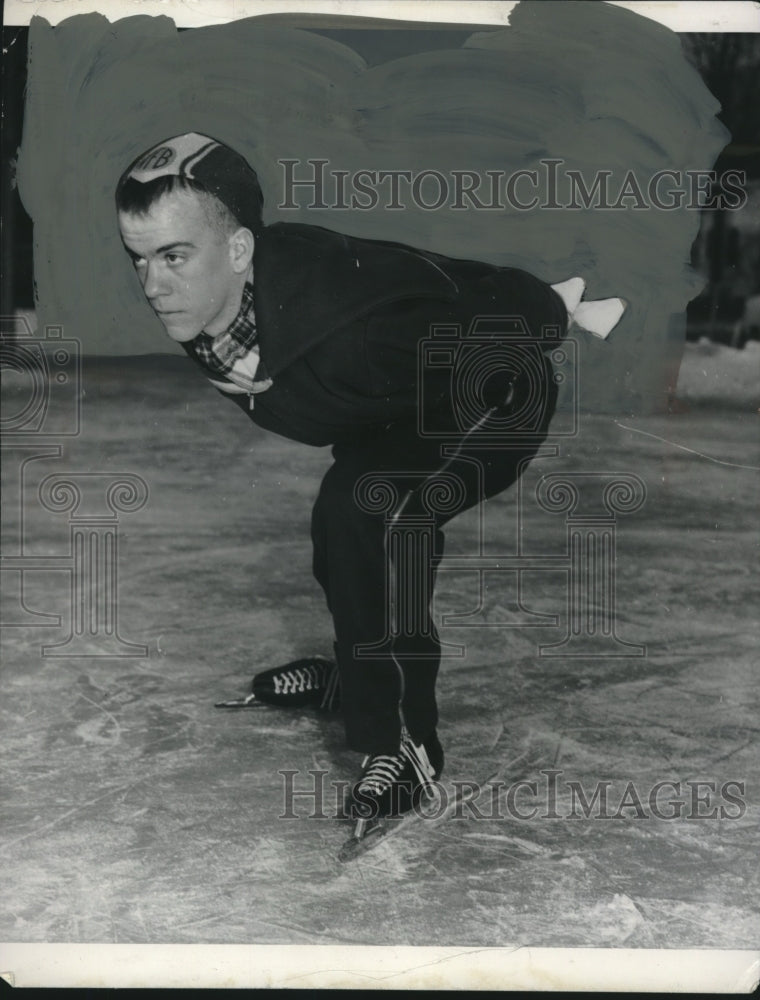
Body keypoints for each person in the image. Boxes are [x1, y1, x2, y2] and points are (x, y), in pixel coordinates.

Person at [116, 132, 625, 830]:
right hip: (390, 408)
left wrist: (550, 307)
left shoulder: (343, 317)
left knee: (380, 518)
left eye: (174, 256)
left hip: (493, 393)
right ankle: (362, 677)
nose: (152, 285)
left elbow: (449, 293)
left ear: (238, 250)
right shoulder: (224, 306)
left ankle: (406, 744)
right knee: (341, 524)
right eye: (138, 259)